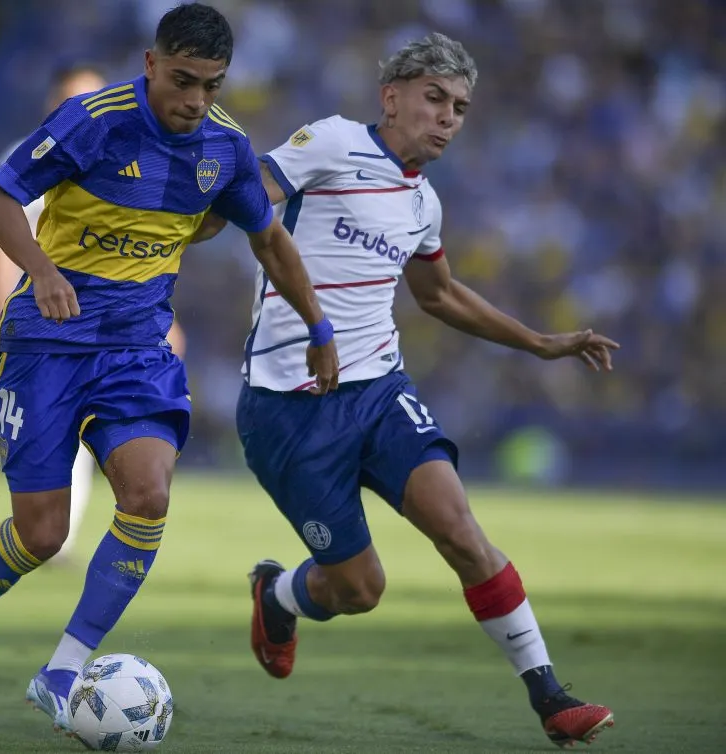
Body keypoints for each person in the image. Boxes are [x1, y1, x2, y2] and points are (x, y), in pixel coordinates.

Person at [0, 2, 340, 739]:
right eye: (182, 80)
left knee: (147, 494)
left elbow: (268, 240)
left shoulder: (225, 148)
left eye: (211, 85)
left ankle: (63, 668)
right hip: (45, 345)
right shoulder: (91, 120)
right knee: (43, 535)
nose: (195, 100)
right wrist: (42, 270)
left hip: (137, 351)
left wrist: (320, 325)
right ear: (150, 63)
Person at [225, 32, 618, 749]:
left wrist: (538, 341)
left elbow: (437, 295)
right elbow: (248, 195)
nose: (447, 118)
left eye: (460, 108)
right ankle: (279, 594)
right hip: (288, 409)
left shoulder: (423, 202)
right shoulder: (334, 142)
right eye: (434, 98)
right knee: (359, 591)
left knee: (461, 530)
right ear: (392, 97)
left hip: (378, 391)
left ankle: (551, 697)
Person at [0, 64, 187, 564]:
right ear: (54, 104)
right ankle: (49, 535)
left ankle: (70, 535)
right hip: (46, 319)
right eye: (75, 97)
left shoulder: (132, 153)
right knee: (57, 435)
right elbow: (1, 231)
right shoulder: (29, 154)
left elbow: (146, 245)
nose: (88, 106)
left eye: (94, 95)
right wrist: (5, 304)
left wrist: (164, 317)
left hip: (114, 326)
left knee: (115, 433)